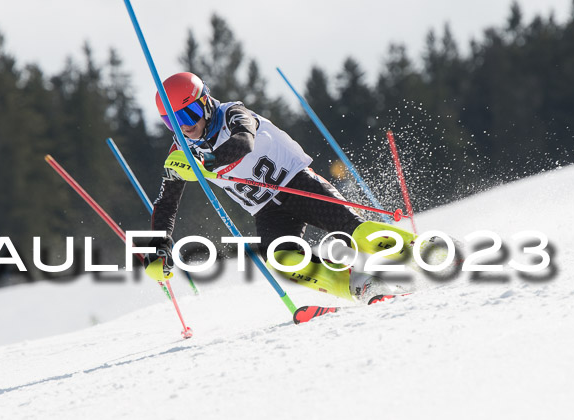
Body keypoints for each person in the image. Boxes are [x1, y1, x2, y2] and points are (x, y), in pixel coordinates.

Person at [143, 72, 417, 302]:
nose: (185, 128)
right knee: (281, 258)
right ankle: (360, 285)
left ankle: (423, 252)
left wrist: (207, 162)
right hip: (267, 210)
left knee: (353, 229)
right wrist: (159, 246)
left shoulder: (232, 114)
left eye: (188, 115)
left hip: (298, 184)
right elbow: (166, 202)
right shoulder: (180, 152)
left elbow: (243, 142)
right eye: (172, 121)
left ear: (205, 103)